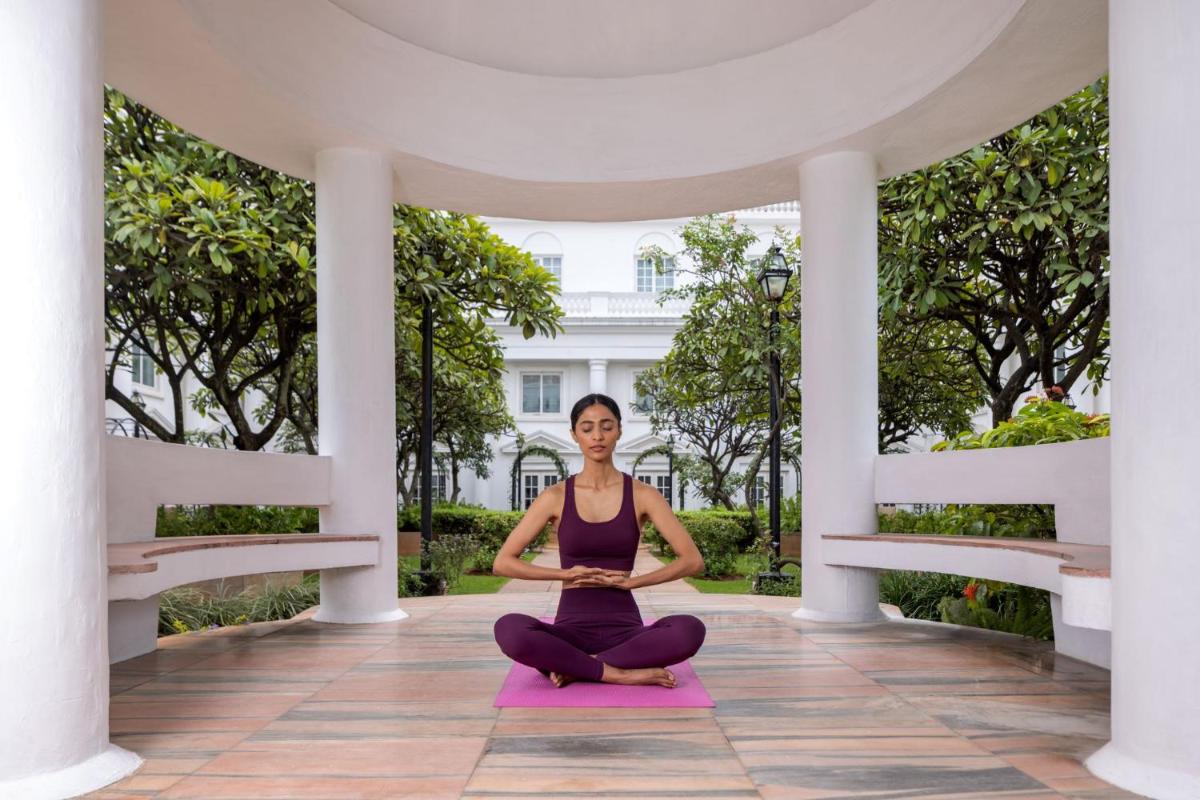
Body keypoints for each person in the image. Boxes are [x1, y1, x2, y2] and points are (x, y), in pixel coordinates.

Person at [492, 393, 707, 688]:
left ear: (619, 431)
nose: (597, 436)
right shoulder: (554, 496)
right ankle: (617, 672)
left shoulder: (643, 494)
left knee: (689, 630)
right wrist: (565, 574)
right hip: (570, 631)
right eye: (587, 427)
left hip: (627, 631)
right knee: (509, 629)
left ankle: (574, 666)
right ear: (574, 435)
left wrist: (632, 582)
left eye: (607, 426)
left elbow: (692, 561)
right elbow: (503, 563)